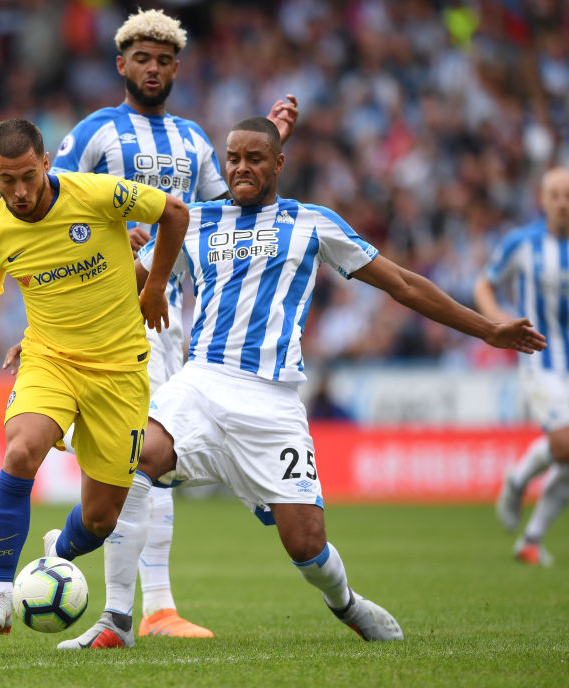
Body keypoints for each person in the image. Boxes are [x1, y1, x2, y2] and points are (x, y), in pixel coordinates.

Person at [59, 116, 547, 650]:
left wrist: (488, 330)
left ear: (279, 164)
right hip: (198, 385)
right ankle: (116, 622)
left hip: (271, 404)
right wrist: (45, 331)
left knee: (307, 547)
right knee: (133, 460)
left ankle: (346, 603)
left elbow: (403, 284)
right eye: (234, 159)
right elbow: (116, 286)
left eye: (255, 159)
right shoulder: (191, 222)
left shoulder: (314, 223)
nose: (241, 168)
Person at [49, 7, 299, 639]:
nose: (153, 69)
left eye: (163, 60)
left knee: (142, 461)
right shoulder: (94, 133)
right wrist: (110, 231)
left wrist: (271, 143)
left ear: (176, 67)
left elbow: (229, 210)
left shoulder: (192, 139)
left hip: (167, 322)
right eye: (142, 59)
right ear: (121, 65)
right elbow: (50, 209)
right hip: (103, 320)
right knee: (129, 461)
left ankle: (145, 607)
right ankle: (136, 601)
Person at [0, 118, 190, 636]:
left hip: (120, 371)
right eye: (6, 179)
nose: (19, 191)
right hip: (49, 360)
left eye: (29, 177)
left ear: (46, 164)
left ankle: (57, 551)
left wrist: (155, 286)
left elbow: (174, 211)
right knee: (20, 451)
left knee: (101, 520)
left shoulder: (97, 194)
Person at [475, 166, 569, 567]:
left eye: (568, 195)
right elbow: (484, 283)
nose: (563, 203)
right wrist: (497, 322)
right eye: (556, 195)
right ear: (543, 199)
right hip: (541, 360)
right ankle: (516, 480)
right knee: (566, 443)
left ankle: (530, 541)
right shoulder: (523, 243)